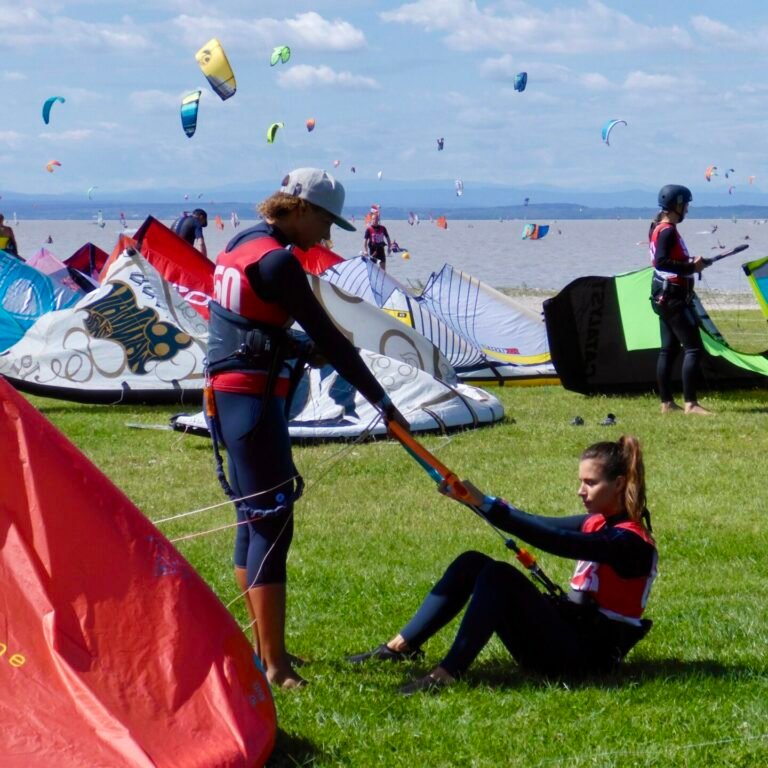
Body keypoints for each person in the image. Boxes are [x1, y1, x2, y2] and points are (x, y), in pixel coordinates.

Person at [205, 168, 408, 690]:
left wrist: (293, 348)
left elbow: (248, 324)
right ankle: (275, 667)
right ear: (296, 208)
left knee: (253, 522)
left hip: (228, 400)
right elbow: (334, 342)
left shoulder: (242, 243)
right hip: (252, 405)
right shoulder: (278, 263)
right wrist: (383, 402)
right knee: (272, 523)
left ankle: (263, 649)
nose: (326, 235)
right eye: (323, 220)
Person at [348, 436, 657, 695]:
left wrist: (490, 507)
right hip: (566, 637)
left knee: (499, 576)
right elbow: (538, 523)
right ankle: (400, 647)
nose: (581, 490)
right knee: (473, 562)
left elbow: (556, 541)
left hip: (586, 661)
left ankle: (447, 674)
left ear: (618, 484)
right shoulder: (596, 522)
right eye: (581, 482)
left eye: (590, 482)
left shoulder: (632, 543)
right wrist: (475, 500)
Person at [649, 185, 712, 416]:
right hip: (672, 297)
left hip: (662, 295)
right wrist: (690, 266)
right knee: (694, 348)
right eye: (685, 205)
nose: (687, 209)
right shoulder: (667, 231)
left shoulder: (658, 226)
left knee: (669, 349)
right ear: (676, 205)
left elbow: (666, 260)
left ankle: (667, 403)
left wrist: (690, 261)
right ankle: (691, 404)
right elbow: (661, 262)